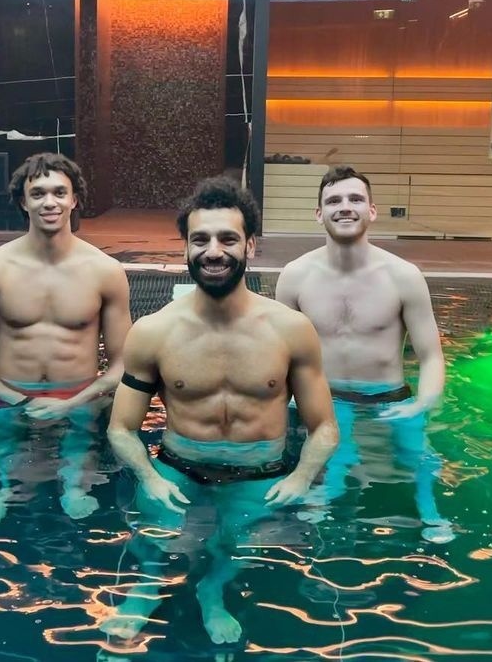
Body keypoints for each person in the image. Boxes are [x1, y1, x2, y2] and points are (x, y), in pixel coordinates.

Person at [103, 176, 338, 645]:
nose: (214, 251)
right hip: (178, 470)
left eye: (228, 239)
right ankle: (146, 589)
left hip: (262, 472)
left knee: (244, 546)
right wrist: (150, 478)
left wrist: (299, 478)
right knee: (158, 540)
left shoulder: (291, 329)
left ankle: (213, 589)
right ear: (186, 248)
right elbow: (121, 429)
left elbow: (325, 428)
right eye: (200, 240)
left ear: (250, 245)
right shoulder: (153, 331)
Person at [276, 165, 453, 543]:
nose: (345, 207)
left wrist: (423, 405)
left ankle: (429, 510)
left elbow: (431, 357)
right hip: (325, 399)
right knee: (329, 468)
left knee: (420, 459)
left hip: (389, 400)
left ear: (372, 211)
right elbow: (282, 355)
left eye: (355, 199)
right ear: (319, 213)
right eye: (333, 201)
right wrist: (286, 402)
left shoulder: (403, 276)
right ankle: (324, 497)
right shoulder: (295, 275)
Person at [0, 152, 131, 522]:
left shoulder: (105, 271)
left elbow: (122, 367)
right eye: (38, 194)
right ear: (23, 202)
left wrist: (71, 404)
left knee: (83, 434)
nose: (49, 202)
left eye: (59, 192)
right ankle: (6, 487)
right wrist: (19, 401)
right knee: (0, 440)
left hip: (79, 396)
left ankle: (75, 485)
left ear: (74, 200)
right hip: (9, 397)